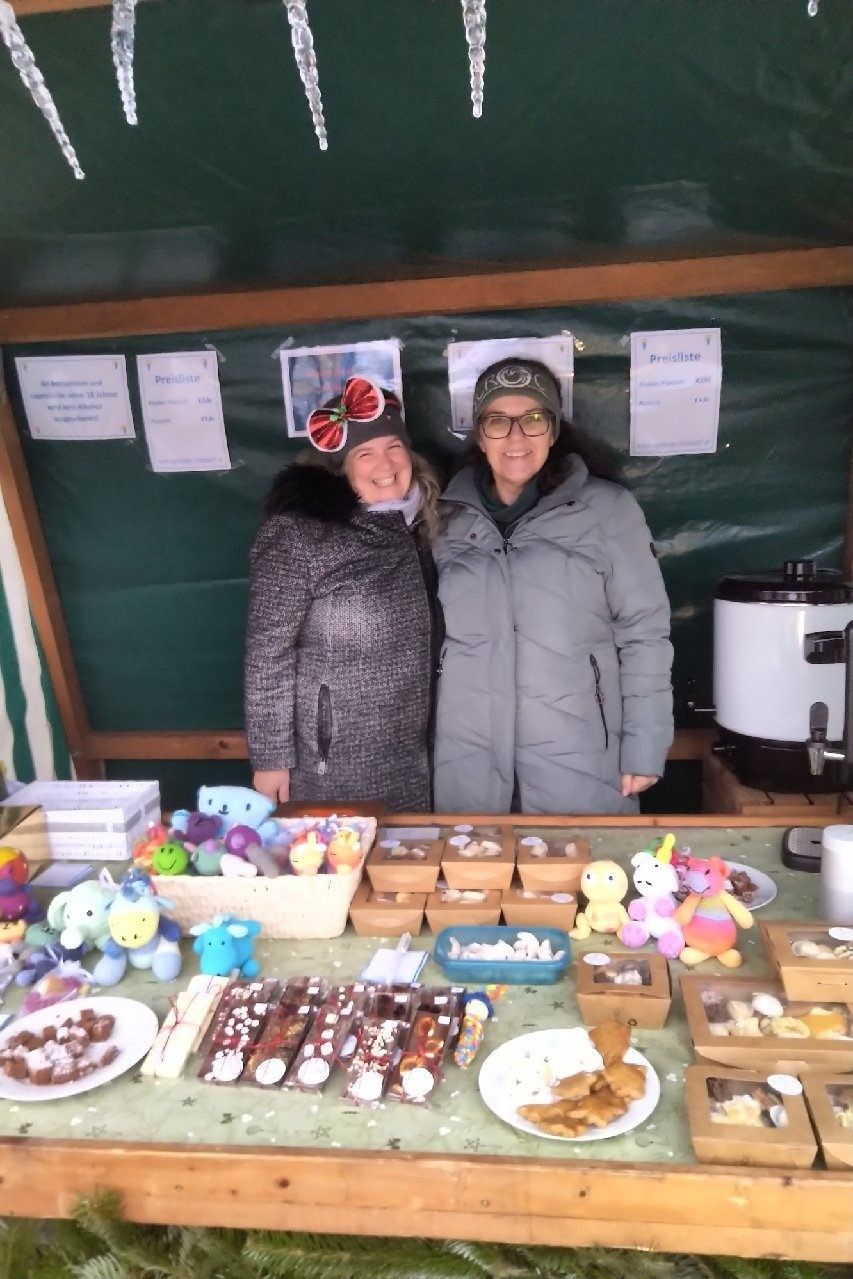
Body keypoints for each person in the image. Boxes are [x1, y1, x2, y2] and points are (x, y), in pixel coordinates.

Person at [434, 357, 673, 815]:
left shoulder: (607, 511)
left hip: (579, 758)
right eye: (498, 421)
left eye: (533, 419)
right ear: (480, 435)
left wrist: (646, 744)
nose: (517, 437)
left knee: (583, 882)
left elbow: (645, 633)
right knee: (475, 880)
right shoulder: (444, 517)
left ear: (554, 429)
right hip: (468, 761)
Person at [245, 376, 441, 811]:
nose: (385, 464)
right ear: (341, 470)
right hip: (332, 760)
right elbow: (267, 654)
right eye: (364, 454)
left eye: (393, 446)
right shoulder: (299, 535)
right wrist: (271, 757)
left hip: (417, 751)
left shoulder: (421, 526)